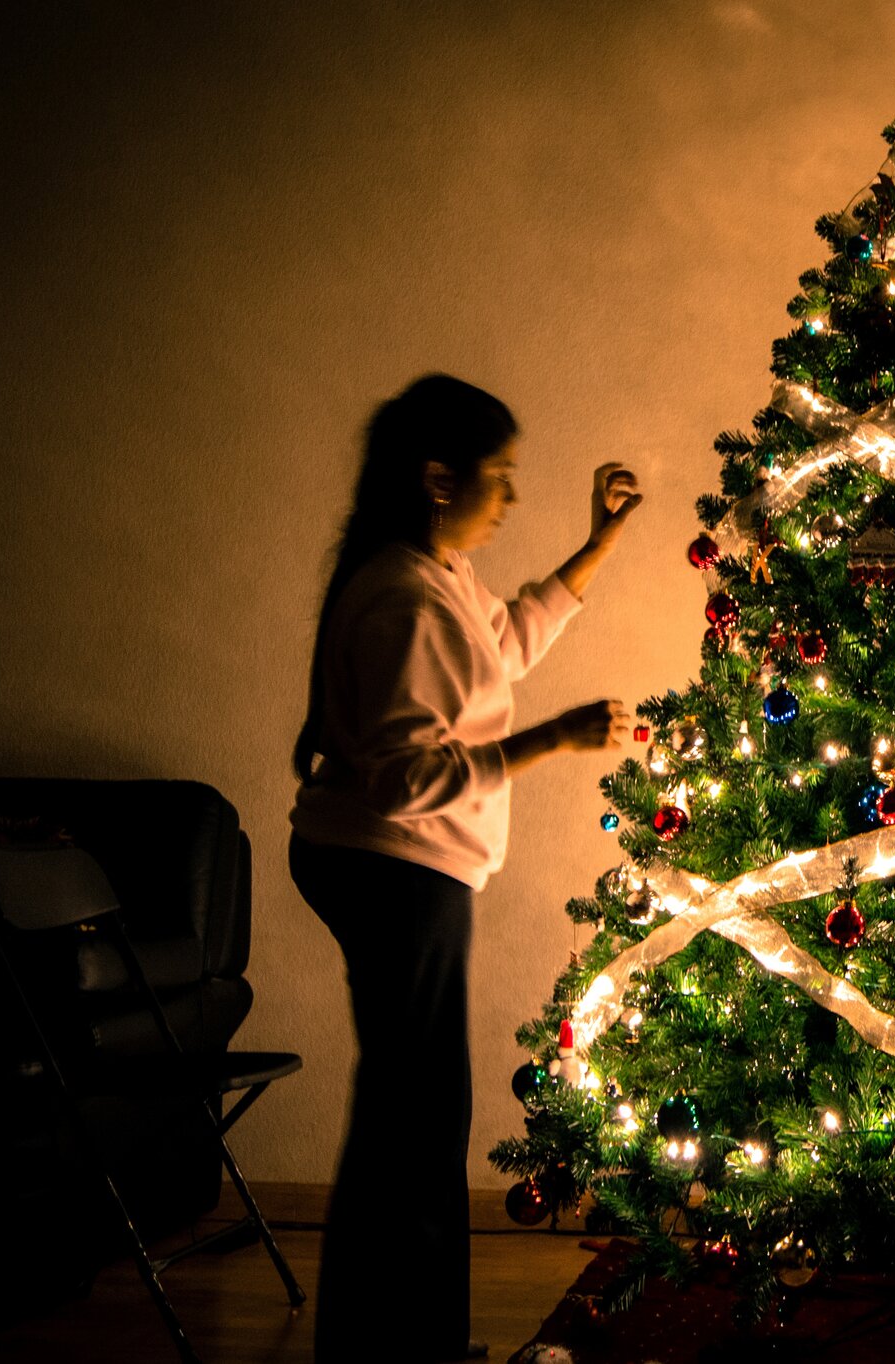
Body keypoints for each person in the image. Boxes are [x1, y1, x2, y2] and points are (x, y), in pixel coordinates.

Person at [288, 374, 640, 1363]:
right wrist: (550, 739)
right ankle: (406, 1347)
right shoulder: (402, 593)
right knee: (417, 1128)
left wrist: (599, 541)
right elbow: (406, 777)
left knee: (411, 1118)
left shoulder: (434, 573)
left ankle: (397, 1341)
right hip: (395, 869)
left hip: (400, 867)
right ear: (441, 479)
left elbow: (504, 640)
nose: (512, 498)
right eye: (503, 477)